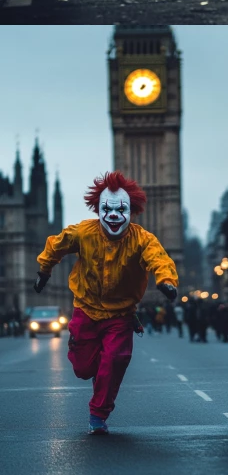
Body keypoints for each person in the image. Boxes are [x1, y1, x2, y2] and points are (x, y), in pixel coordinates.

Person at [33, 171, 179, 435]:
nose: (113, 215)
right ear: (98, 209)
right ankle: (96, 364)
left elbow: (159, 258)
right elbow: (56, 245)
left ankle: (98, 414)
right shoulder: (83, 233)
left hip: (121, 315)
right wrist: (44, 270)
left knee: (115, 360)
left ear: (131, 211)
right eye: (107, 209)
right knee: (83, 368)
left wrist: (166, 280)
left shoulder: (141, 238)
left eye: (120, 209)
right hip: (86, 309)